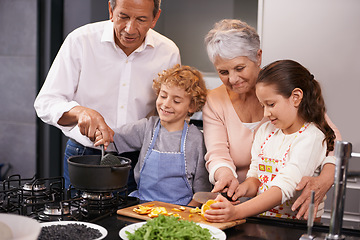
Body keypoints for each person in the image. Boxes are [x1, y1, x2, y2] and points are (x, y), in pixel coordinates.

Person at [202, 19, 341, 219]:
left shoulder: (283, 91)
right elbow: (220, 155)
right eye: (223, 72)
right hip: (247, 211)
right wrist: (229, 179)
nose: (232, 79)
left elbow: (329, 138)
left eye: (239, 68)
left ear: (258, 57)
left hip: (287, 218)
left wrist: (326, 178)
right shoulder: (260, 128)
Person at [33, 0, 180, 189]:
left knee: (136, 219)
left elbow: (171, 114)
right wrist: (80, 112)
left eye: (141, 19)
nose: (130, 29)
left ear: (155, 18)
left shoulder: (168, 52)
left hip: (140, 158)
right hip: (85, 156)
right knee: (79, 219)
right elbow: (46, 102)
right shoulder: (80, 40)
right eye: (123, 17)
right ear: (111, 10)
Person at [94, 65, 211, 206]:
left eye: (176, 101)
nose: (166, 104)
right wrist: (99, 130)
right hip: (141, 207)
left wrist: (184, 217)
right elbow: (113, 137)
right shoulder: (147, 127)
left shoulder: (197, 140)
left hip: (179, 213)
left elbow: (202, 192)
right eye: (163, 96)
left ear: (191, 106)